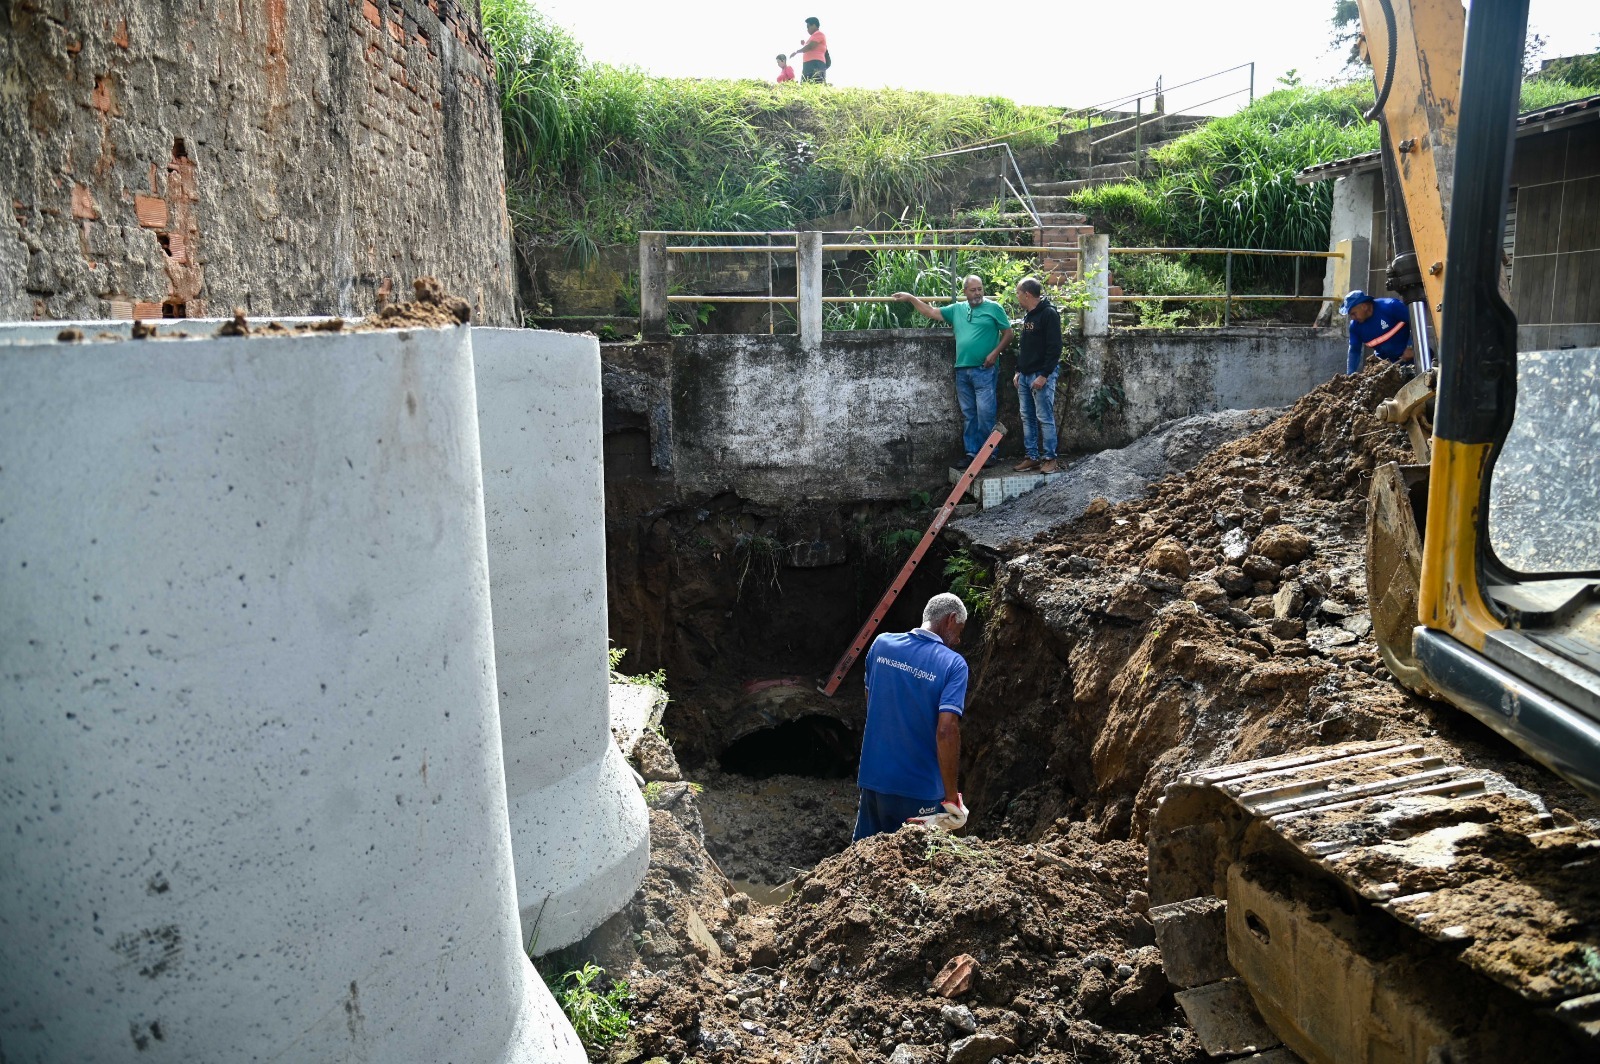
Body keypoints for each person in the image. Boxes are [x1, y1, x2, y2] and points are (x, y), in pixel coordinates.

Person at [853, 593, 971, 841]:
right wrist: (951, 798)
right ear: (950, 619)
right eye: (959, 630)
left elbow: (872, 703)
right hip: (919, 790)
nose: (958, 639)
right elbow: (946, 731)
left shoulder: (881, 645)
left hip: (874, 779)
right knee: (912, 868)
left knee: (862, 861)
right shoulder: (953, 665)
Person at [892, 277, 1014, 464]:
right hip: (962, 370)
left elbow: (1008, 333)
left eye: (980, 289)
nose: (977, 293)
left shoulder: (994, 308)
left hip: (985, 369)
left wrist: (994, 353)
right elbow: (930, 311)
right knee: (969, 414)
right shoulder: (957, 309)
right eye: (973, 290)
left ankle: (989, 454)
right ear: (965, 291)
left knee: (985, 413)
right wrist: (910, 298)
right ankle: (972, 453)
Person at [1012, 276, 1062, 474]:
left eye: (1018, 293)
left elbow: (1055, 347)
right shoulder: (1029, 316)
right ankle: (1032, 457)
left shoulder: (1048, 314)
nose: (1017, 297)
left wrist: (1044, 375)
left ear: (1027, 294)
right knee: (1027, 417)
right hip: (1025, 375)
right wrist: (1018, 370)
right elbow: (1026, 347)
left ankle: (1050, 458)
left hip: (1040, 375)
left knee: (1044, 417)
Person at [1342, 289, 1415, 375]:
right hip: (1386, 365)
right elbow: (1354, 351)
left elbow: (1415, 322)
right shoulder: (1355, 327)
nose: (1353, 318)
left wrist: (1411, 347)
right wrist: (1350, 375)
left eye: (1354, 313)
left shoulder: (1391, 306)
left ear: (1364, 307)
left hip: (1411, 358)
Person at [790, 16, 828, 83]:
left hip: (816, 63)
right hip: (809, 64)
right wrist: (804, 44)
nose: (807, 29)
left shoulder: (819, 34)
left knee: (816, 83)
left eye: (808, 27)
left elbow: (810, 46)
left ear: (814, 25)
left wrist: (797, 52)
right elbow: (811, 47)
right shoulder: (813, 36)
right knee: (806, 84)